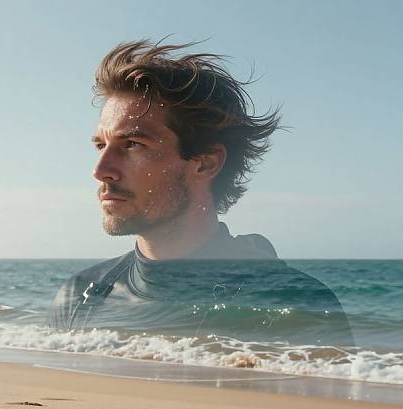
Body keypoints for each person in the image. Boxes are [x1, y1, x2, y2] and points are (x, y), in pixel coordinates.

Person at [48, 40, 353, 347]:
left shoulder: (294, 309)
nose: (101, 170)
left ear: (205, 163)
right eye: (101, 145)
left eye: (133, 144)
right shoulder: (79, 300)